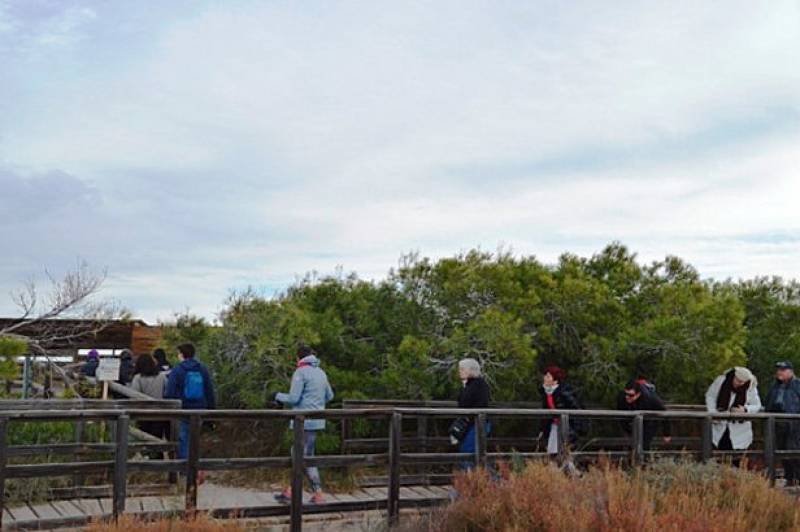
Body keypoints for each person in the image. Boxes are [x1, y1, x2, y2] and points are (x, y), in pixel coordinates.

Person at [273, 345, 334, 505]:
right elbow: (330, 395)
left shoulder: (300, 372)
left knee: (300, 455)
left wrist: (277, 396)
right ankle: (295, 491)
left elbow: (293, 398)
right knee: (305, 456)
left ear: (298, 358)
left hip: (303, 421)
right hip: (317, 420)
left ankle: (310, 494)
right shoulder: (321, 372)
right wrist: (317, 404)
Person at [165, 343, 216, 483]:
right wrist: (211, 411)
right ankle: (196, 468)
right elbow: (210, 391)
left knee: (183, 440)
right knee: (195, 440)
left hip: (183, 410)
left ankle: (185, 471)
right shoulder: (202, 369)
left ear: (181, 354)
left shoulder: (177, 370)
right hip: (200, 409)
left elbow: (170, 393)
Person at [705, 367, 761, 466]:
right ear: (734, 376)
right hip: (720, 424)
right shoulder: (721, 381)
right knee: (721, 455)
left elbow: (757, 405)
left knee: (737, 458)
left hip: (739, 428)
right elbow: (710, 396)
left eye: (743, 382)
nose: (740, 384)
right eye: (738, 380)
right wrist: (713, 413)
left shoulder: (750, 386)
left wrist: (745, 409)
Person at [449, 358, 491, 470]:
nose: (460, 371)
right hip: (470, 424)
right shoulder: (469, 385)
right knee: (466, 452)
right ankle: (471, 481)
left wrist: (467, 419)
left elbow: (477, 404)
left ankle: (474, 481)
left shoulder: (479, 385)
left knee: (468, 452)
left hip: (477, 424)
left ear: (471, 370)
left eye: (462, 369)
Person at [765, 361, 800, 485]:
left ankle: (796, 479)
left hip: (795, 425)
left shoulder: (797, 385)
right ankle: (789, 478)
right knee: (781, 451)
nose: (779, 372)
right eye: (778, 369)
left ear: (790, 371)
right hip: (778, 424)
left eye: (783, 369)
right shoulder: (774, 387)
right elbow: (767, 403)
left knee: (794, 451)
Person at [538, 366, 583, 457]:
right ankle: (555, 468)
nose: (545, 378)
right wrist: (542, 429)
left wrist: (576, 429)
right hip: (555, 425)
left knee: (563, 450)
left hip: (567, 426)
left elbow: (576, 409)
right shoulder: (546, 393)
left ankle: (562, 468)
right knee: (552, 449)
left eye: (548, 376)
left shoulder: (564, 393)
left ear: (555, 380)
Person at [616, 379, 671, 451]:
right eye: (626, 394)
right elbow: (621, 415)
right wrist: (627, 430)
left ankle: (643, 460)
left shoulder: (651, 398)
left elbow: (664, 413)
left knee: (644, 444)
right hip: (631, 420)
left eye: (631, 395)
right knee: (630, 444)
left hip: (649, 420)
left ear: (638, 394)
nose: (627, 397)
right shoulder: (622, 398)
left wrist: (666, 434)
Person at [130, 353, 170, 441]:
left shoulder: (138, 378)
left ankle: (146, 454)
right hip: (160, 413)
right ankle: (158, 453)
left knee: (144, 438)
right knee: (157, 438)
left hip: (143, 413)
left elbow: (133, 395)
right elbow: (167, 392)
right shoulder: (161, 376)